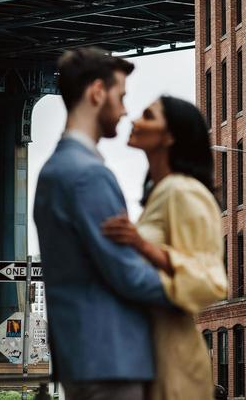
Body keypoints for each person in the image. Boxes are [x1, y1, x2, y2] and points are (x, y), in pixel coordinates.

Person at [33, 47, 170, 400]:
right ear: (97, 92)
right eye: (121, 96)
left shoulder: (55, 170)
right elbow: (126, 273)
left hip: (83, 354)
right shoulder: (88, 175)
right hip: (112, 357)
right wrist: (193, 281)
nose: (125, 110)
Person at [102, 95, 228, 400]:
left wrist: (140, 244)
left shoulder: (183, 191)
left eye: (148, 115)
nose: (134, 119)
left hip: (173, 362)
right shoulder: (161, 192)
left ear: (170, 136)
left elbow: (211, 281)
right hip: (147, 356)